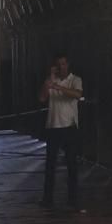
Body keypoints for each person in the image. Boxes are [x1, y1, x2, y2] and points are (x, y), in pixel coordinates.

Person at [37, 53, 84, 209]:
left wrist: (59, 87)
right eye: (58, 65)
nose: (61, 67)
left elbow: (77, 94)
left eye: (63, 64)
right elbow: (42, 98)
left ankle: (73, 199)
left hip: (69, 127)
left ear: (68, 65)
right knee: (50, 165)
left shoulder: (75, 80)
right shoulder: (51, 81)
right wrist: (49, 81)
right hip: (53, 127)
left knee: (72, 165)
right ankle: (47, 198)